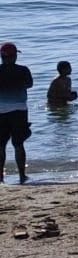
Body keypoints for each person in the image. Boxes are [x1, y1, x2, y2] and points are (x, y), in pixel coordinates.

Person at [0, 43, 31, 184]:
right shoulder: (23, 70)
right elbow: (29, 84)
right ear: (15, 56)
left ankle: (0, 177)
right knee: (18, 144)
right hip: (19, 111)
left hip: (1, 111)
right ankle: (22, 176)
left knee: (1, 146)